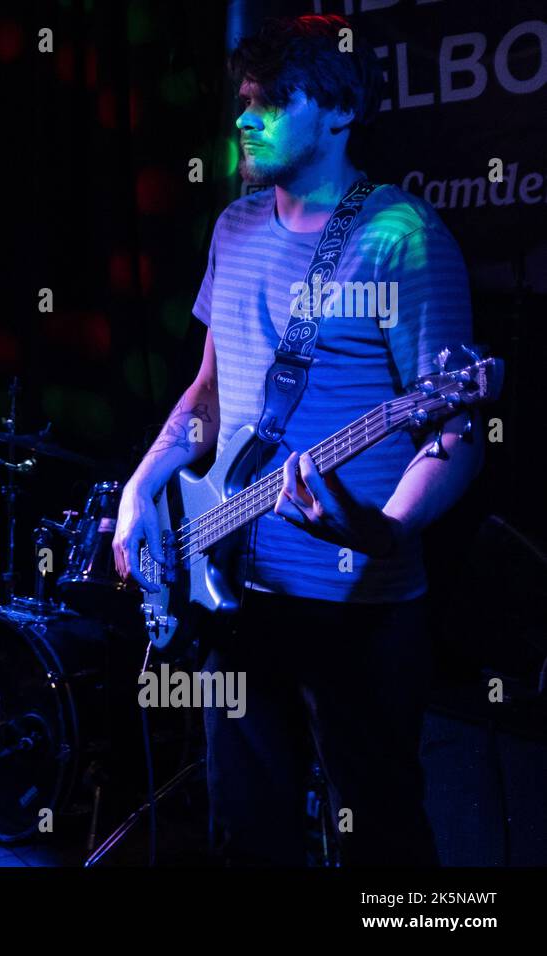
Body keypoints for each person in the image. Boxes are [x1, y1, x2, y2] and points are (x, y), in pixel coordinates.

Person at [112, 15, 482, 865]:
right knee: (246, 832)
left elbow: (454, 431)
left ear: (341, 111)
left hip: (359, 609)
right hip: (233, 586)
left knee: (381, 837)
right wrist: (141, 491)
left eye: (274, 101)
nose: (246, 118)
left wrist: (382, 528)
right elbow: (209, 395)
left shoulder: (403, 237)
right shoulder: (233, 229)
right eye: (245, 100)